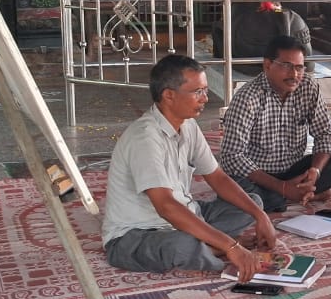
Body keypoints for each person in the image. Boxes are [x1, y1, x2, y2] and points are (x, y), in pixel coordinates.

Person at [102, 54, 276, 283]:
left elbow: (218, 178)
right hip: (139, 233)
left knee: (252, 202)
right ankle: (214, 246)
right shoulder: (145, 138)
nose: (205, 98)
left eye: (205, 90)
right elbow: (166, 207)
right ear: (169, 95)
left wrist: (260, 216)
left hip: (187, 213)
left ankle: (209, 244)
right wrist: (231, 245)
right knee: (180, 245)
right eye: (197, 92)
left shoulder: (188, 125)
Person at [220, 35, 331, 211]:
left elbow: (326, 134)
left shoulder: (308, 87)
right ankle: (300, 195)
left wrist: (315, 172)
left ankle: (294, 193)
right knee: (238, 190)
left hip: (295, 171)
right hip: (259, 175)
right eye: (286, 66)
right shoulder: (248, 98)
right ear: (267, 65)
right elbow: (232, 157)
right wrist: (282, 187)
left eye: (299, 67)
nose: (294, 75)